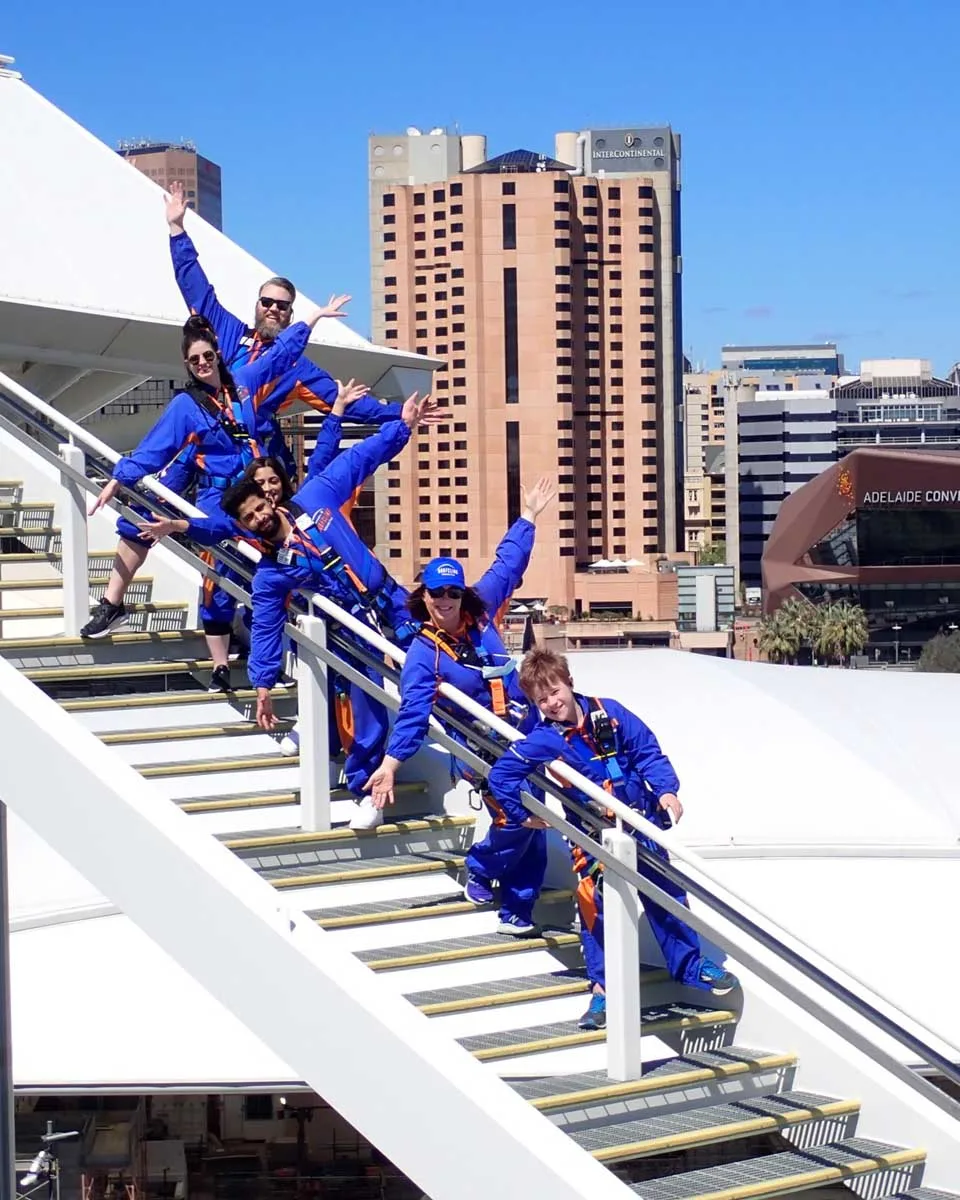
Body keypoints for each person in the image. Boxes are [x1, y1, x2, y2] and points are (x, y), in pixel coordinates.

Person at [146, 393, 438, 820]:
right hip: (352, 628)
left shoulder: (317, 496)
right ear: (244, 527)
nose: (260, 517)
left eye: (260, 508)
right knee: (366, 701)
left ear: (270, 500)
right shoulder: (271, 572)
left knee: (436, 669)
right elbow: (265, 629)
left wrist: (403, 425)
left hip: (391, 602)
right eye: (250, 518)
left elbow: (360, 459)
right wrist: (263, 686)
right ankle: (363, 787)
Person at [487, 647, 739, 1030]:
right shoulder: (543, 739)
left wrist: (666, 790)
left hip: (639, 823)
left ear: (569, 683)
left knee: (667, 896)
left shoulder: (612, 712)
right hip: (593, 835)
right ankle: (602, 992)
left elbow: (647, 751)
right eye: (542, 700)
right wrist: (527, 818)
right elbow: (502, 776)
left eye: (555, 691)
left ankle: (690, 967)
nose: (553, 703)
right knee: (594, 911)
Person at [81, 309, 324, 687]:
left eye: (208, 356)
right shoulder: (186, 407)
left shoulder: (242, 385)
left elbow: (279, 356)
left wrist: (311, 321)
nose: (202, 364)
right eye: (194, 360)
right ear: (187, 365)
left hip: (257, 492)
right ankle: (113, 603)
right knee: (149, 525)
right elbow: (154, 450)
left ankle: (266, 660)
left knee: (266, 569)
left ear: (218, 356)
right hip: (219, 493)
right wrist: (119, 478)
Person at [363, 479, 556, 928]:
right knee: (517, 818)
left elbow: (507, 565)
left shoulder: (482, 613)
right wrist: (391, 764)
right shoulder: (422, 654)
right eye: (436, 593)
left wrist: (528, 517)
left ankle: (516, 909)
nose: (445, 601)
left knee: (538, 825)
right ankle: (481, 867)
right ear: (424, 598)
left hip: (523, 734)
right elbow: (413, 712)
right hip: (480, 747)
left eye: (452, 593)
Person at [165, 180, 401, 480]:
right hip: (202, 440)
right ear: (257, 304)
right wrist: (177, 230)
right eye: (268, 302)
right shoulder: (226, 329)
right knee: (151, 507)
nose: (273, 309)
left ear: (291, 314)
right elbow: (195, 287)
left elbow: (346, 402)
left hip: (247, 458)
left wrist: (401, 412)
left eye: (282, 305)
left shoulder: (294, 365)